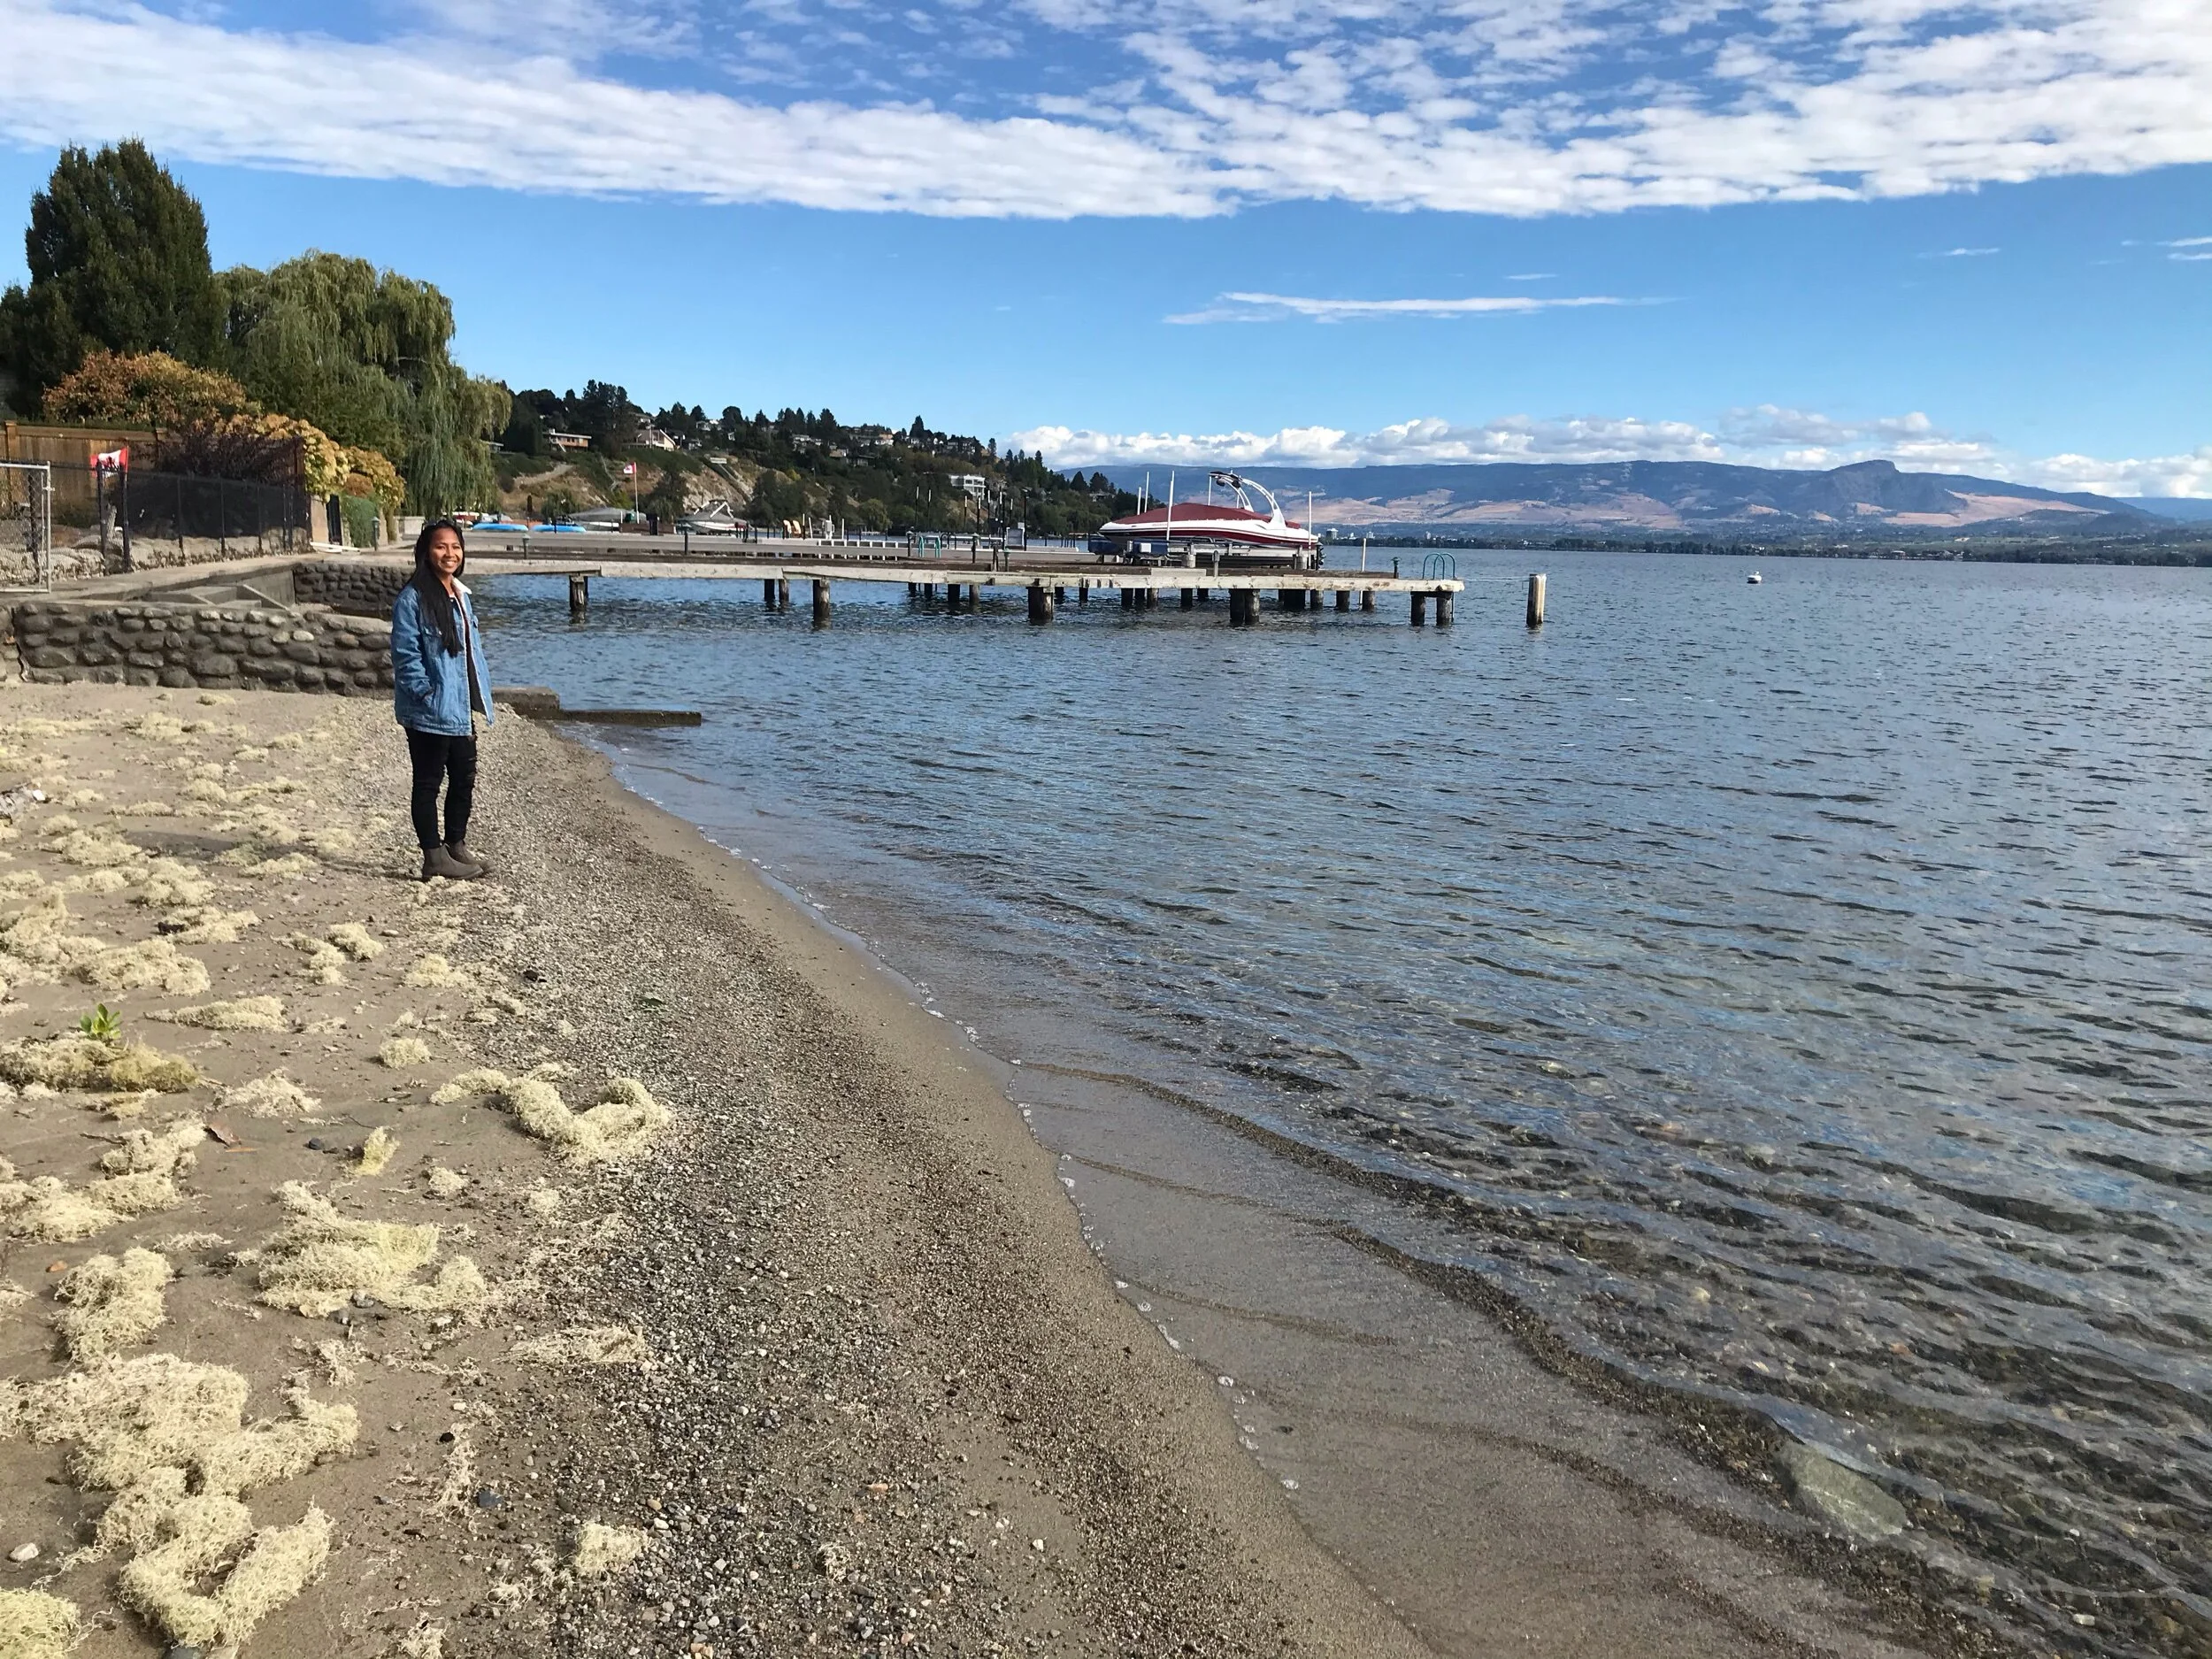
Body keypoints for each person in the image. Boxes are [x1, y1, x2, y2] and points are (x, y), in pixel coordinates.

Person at [391, 518, 495, 881]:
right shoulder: (413, 598)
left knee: (464, 776)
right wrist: (426, 694)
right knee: (428, 782)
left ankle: (456, 845)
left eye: (455, 547)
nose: (449, 554)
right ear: (425, 552)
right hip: (429, 710)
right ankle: (433, 857)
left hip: (460, 707)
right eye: (441, 546)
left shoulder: (462, 595)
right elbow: (406, 656)